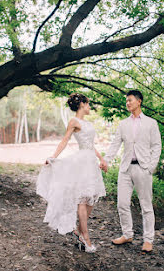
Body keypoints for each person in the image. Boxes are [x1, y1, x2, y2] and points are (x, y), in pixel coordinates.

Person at [36, 93, 107, 253]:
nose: (89, 107)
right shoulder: (74, 121)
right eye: (88, 104)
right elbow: (65, 140)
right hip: (81, 162)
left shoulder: (87, 123)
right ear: (82, 104)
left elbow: (90, 144)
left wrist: (101, 158)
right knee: (82, 199)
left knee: (91, 199)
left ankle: (80, 231)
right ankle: (85, 237)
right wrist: (53, 157)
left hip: (91, 162)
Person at [101, 90, 161, 253]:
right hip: (125, 169)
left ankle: (148, 240)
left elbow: (156, 146)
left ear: (139, 101)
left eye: (130, 100)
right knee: (122, 204)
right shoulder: (123, 124)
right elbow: (115, 144)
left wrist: (150, 167)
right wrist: (106, 159)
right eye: (126, 101)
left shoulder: (151, 123)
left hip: (143, 169)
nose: (128, 103)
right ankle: (127, 234)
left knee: (146, 206)